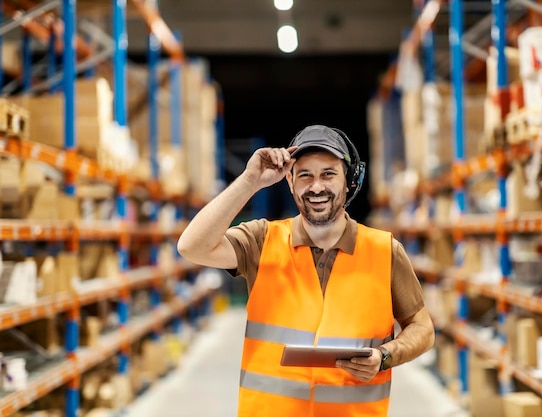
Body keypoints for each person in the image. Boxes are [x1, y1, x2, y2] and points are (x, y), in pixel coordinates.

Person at [177, 124, 435, 417]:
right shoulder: (263, 240)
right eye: (305, 175)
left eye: (328, 174)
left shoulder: (384, 250)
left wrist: (386, 356)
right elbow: (191, 246)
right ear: (290, 182)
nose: (316, 187)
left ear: (349, 181)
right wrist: (250, 180)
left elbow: (422, 327)